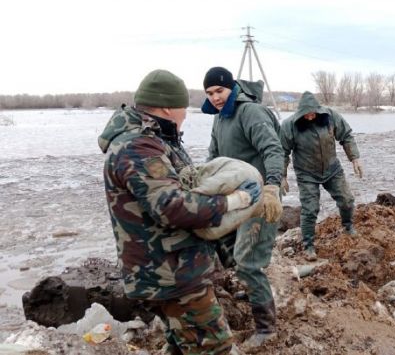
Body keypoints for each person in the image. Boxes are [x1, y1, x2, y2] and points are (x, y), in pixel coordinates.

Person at [99, 69, 247, 354]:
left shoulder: (157, 140)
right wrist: (233, 201)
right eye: (183, 108)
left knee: (180, 346)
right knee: (215, 349)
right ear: (168, 107)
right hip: (171, 276)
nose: (185, 115)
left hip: (174, 270)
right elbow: (172, 206)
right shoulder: (137, 146)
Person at [202, 66, 284, 351]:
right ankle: (249, 289)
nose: (215, 97)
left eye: (219, 91)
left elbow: (274, 150)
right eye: (209, 93)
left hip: (262, 197)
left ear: (232, 88)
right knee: (223, 246)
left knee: (248, 261)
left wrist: (273, 186)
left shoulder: (251, 113)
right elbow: (215, 158)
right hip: (236, 197)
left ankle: (266, 328)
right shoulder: (219, 119)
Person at [279, 91, 363, 261]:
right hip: (306, 173)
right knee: (310, 209)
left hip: (332, 169)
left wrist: (355, 158)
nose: (310, 117)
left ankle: (348, 227)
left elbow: (346, 136)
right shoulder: (289, 125)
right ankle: (308, 245)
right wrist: (282, 175)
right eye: (306, 114)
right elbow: (282, 152)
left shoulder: (330, 116)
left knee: (347, 200)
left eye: (313, 113)